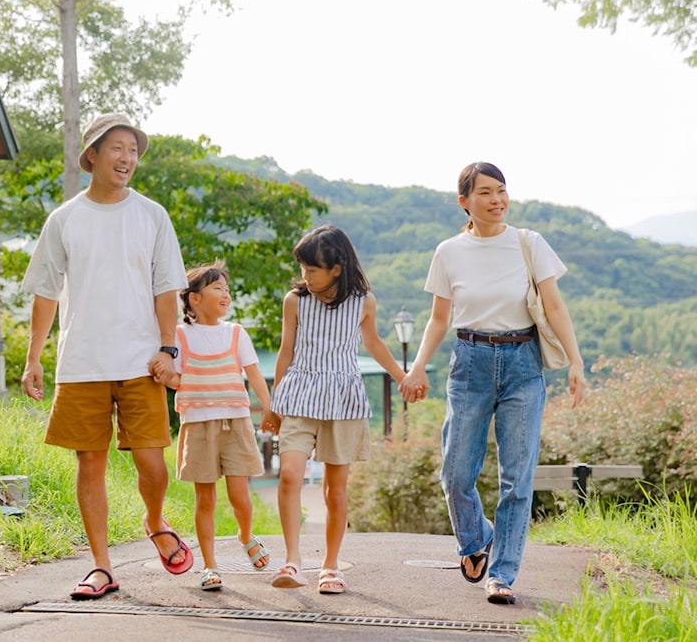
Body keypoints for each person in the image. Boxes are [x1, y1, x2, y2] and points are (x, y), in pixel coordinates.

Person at [20, 112, 192, 601]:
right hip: (82, 361)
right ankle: (102, 566)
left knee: (153, 465)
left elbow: (166, 289)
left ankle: (154, 519)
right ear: (92, 155)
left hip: (142, 361)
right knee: (89, 463)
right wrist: (34, 358)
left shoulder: (152, 215)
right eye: (118, 148)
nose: (127, 158)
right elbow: (46, 293)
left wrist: (168, 348)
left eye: (133, 151)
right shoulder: (65, 219)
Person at [399, 161, 584, 606]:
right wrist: (418, 366)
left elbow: (555, 307)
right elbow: (439, 319)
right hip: (470, 361)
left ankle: (502, 574)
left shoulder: (529, 243)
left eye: (501, 190)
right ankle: (476, 539)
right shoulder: (449, 252)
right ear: (464, 201)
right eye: (485, 192)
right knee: (455, 473)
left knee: (516, 479)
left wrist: (575, 361)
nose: (497, 199)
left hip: (524, 362)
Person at [268, 225, 407, 594]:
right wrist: (274, 404)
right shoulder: (295, 301)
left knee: (335, 490)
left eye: (312, 270)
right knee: (289, 475)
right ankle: (292, 560)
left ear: (336, 269)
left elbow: (374, 344)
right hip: (299, 395)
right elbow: (286, 351)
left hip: (343, 399)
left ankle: (330, 566)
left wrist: (403, 377)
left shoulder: (363, 302)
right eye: (303, 269)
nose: (305, 276)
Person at [152, 261, 281, 591]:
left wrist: (269, 408)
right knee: (205, 499)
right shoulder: (180, 336)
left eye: (227, 289)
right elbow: (178, 379)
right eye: (217, 288)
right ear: (194, 299)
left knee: (240, 496)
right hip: (197, 424)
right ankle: (209, 565)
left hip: (235, 422)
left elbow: (254, 375)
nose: (226, 295)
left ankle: (246, 534)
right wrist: (166, 377)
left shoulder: (235, 333)